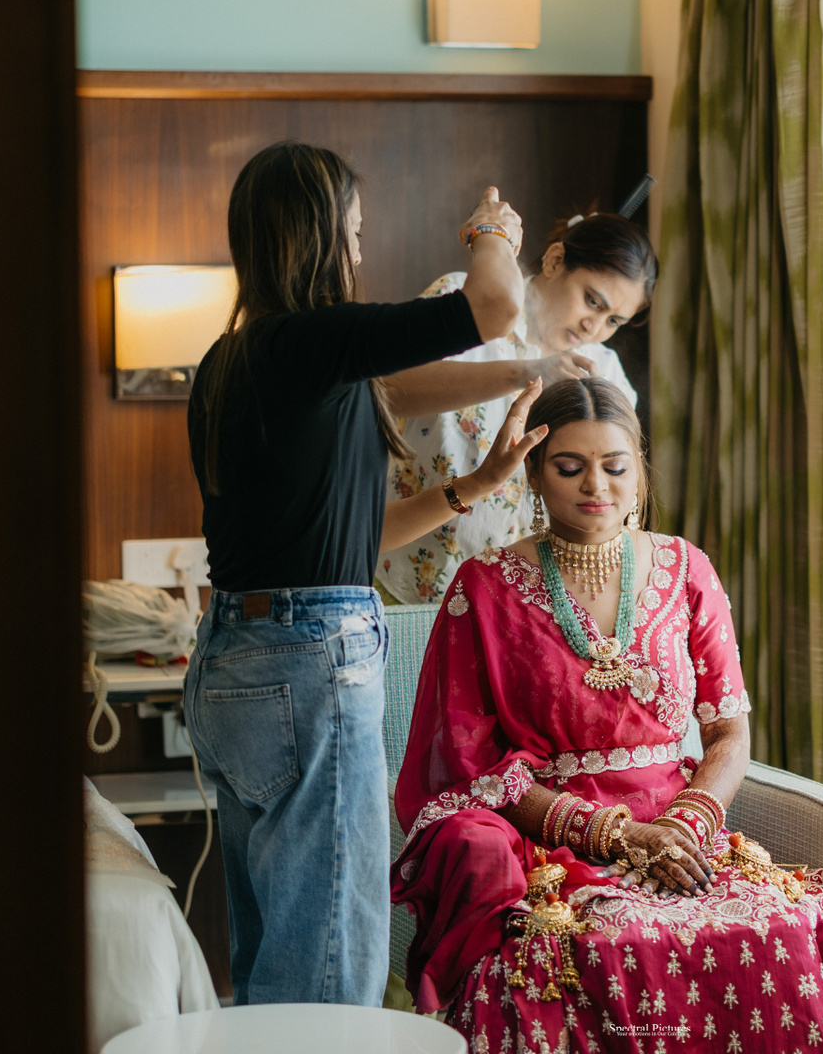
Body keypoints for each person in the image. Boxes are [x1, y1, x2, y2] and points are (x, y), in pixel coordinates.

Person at [391, 378, 823, 1053]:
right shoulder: (486, 585)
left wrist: (683, 825)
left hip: (683, 835)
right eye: (569, 467)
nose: (596, 486)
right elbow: (473, 769)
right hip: (556, 842)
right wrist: (617, 837)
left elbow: (728, 731)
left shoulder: (685, 567)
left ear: (640, 471)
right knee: (615, 949)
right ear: (534, 474)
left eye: (615, 466)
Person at [182, 141, 547, 1008]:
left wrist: (473, 486)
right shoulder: (313, 341)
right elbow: (494, 304)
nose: (360, 248)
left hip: (237, 658)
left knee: (276, 959)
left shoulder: (236, 363)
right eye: (352, 230)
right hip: (309, 664)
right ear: (316, 238)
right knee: (330, 972)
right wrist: (493, 230)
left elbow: (356, 540)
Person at [374, 212, 658, 605]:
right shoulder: (468, 299)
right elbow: (387, 388)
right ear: (554, 260)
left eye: (614, 320)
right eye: (592, 301)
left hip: (518, 604)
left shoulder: (607, 374)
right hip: (404, 581)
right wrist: (523, 372)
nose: (594, 327)